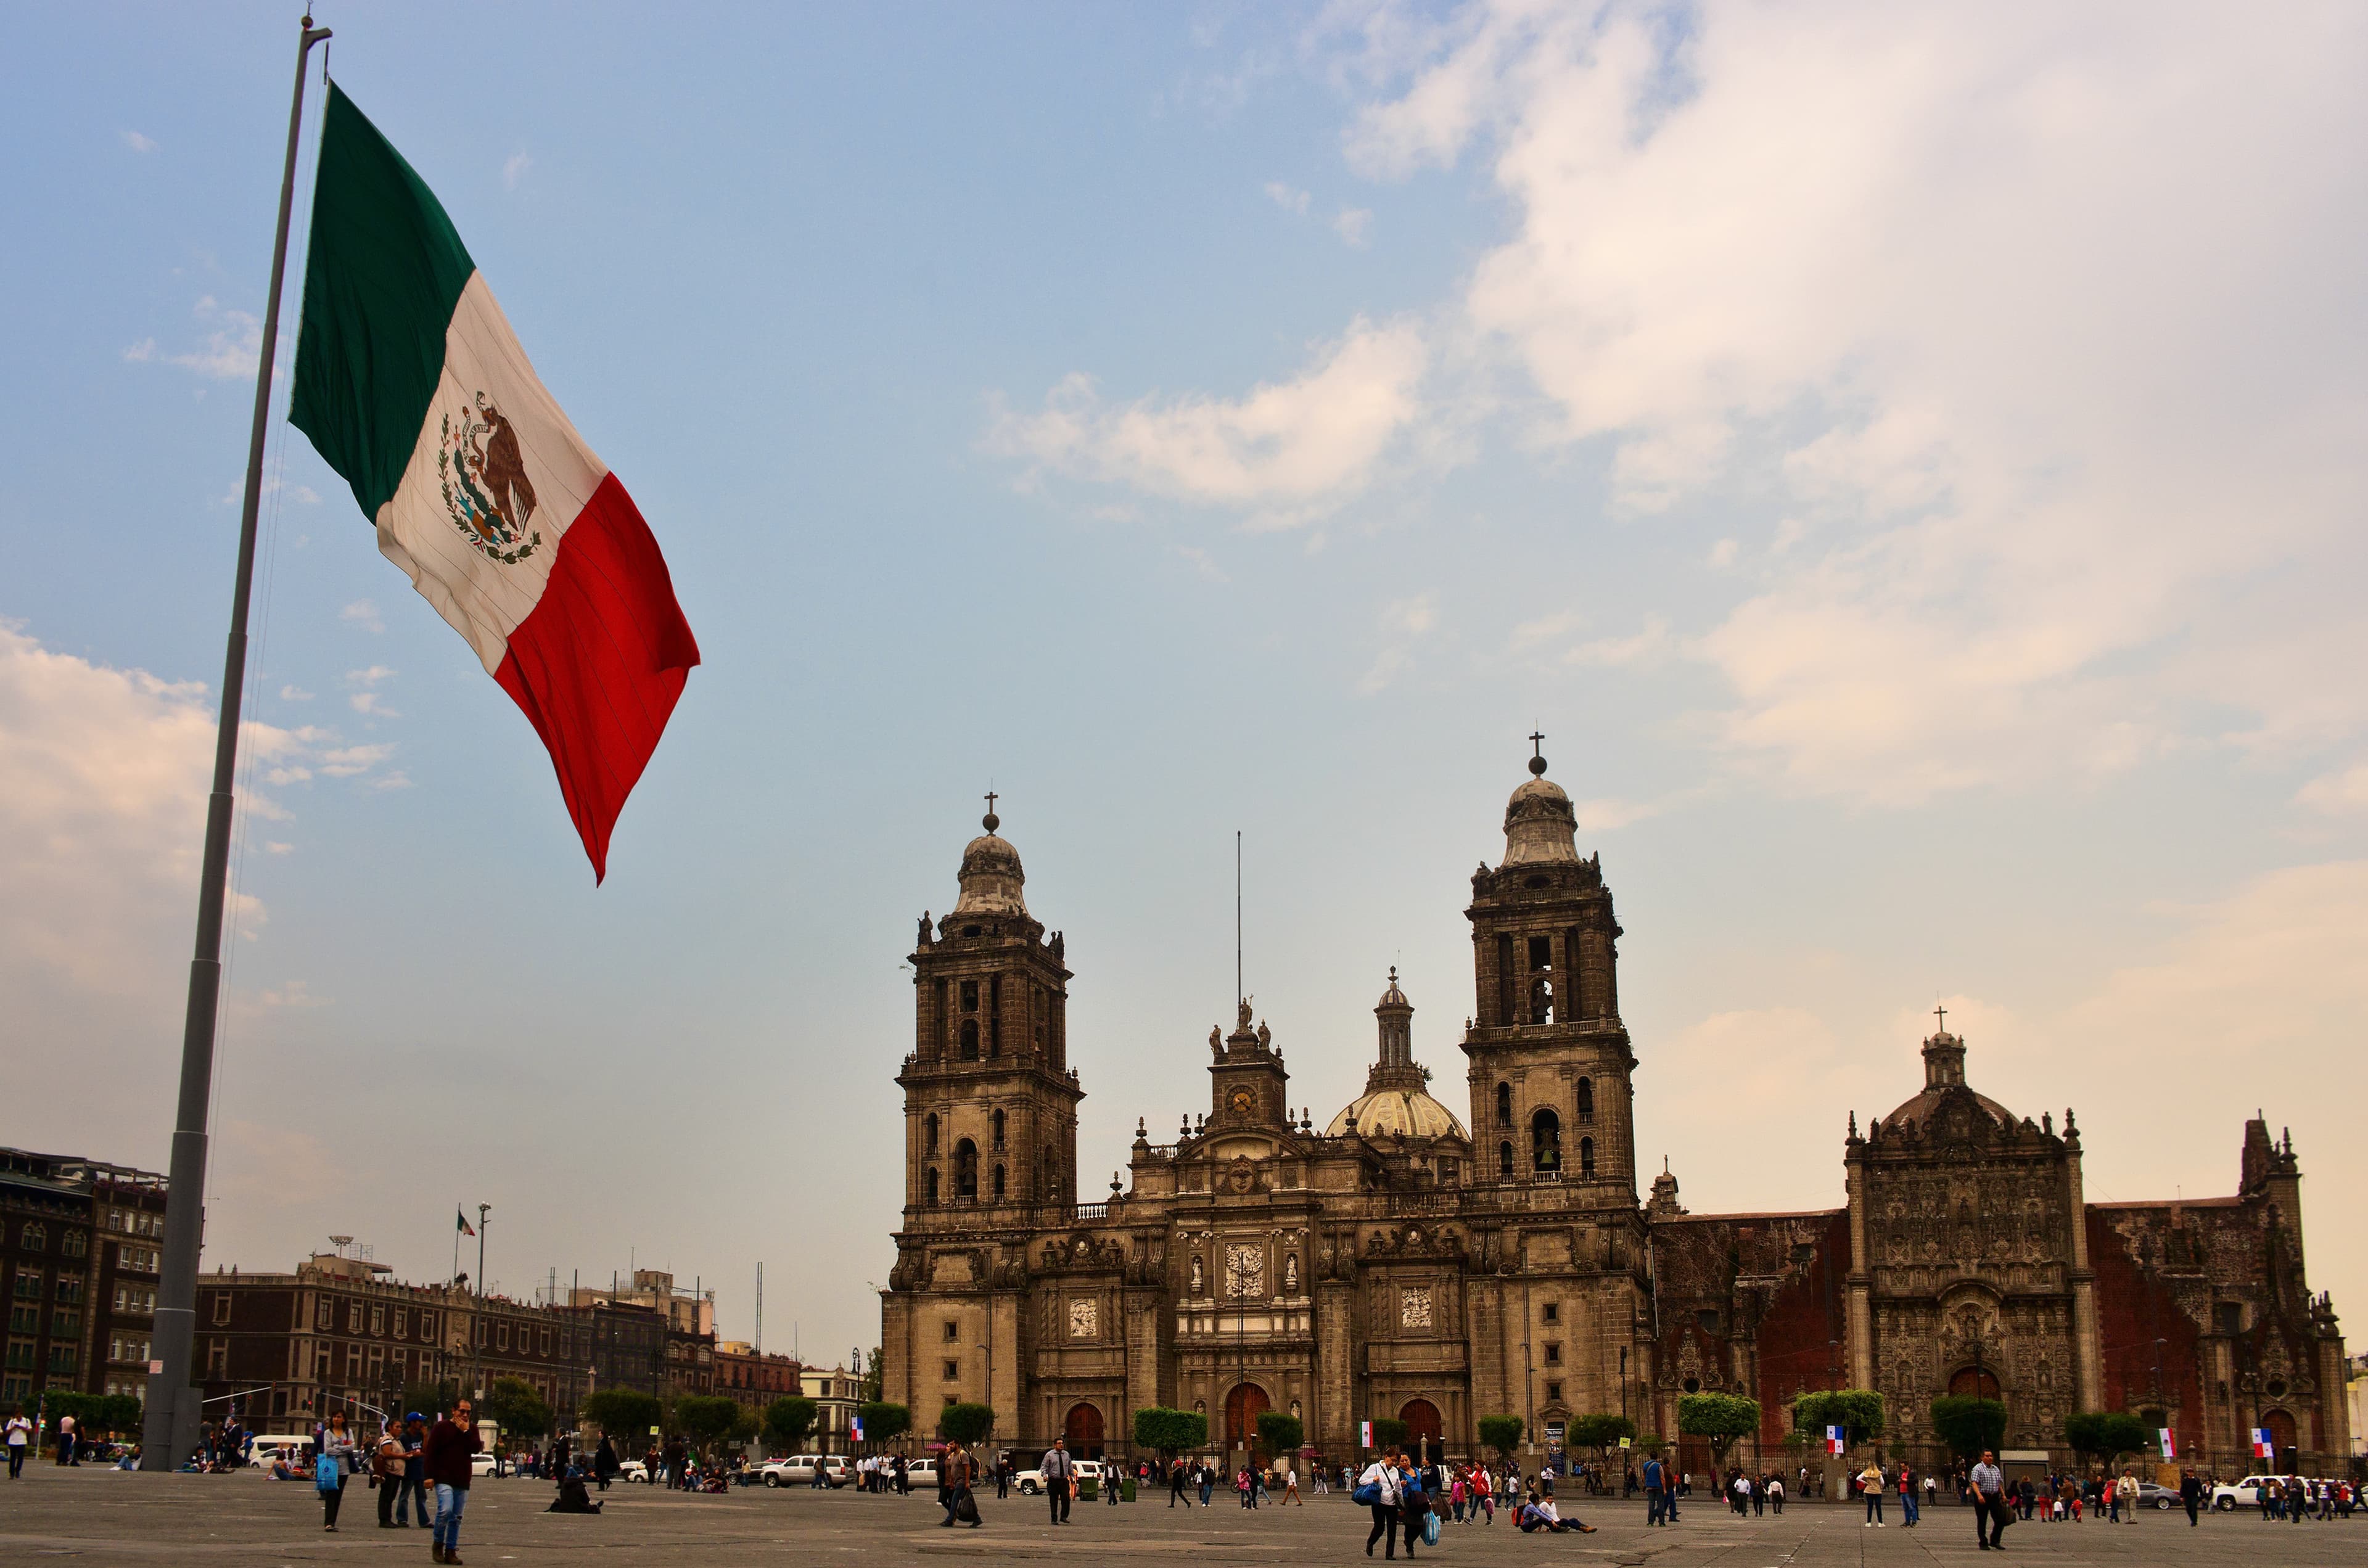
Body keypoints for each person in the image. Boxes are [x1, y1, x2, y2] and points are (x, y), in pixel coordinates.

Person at [425, 1397, 485, 1566]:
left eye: (468, 1412)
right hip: (443, 1477)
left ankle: (451, 1550)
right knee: (445, 1510)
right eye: (462, 1411)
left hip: (462, 1478)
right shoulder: (441, 1428)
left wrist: (465, 1431)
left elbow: (475, 1448)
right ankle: (438, 1543)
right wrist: (428, 1476)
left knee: (456, 1517)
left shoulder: (472, 1429)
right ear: (453, 1411)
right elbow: (431, 1452)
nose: (465, 1415)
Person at [316, 1411, 357, 1532]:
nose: (336, 1419)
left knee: (338, 1496)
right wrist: (343, 1449)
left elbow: (351, 1448)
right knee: (330, 1495)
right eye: (334, 1417)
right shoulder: (328, 1433)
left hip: (344, 1468)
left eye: (339, 1417)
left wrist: (338, 1448)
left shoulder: (348, 1432)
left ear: (344, 1419)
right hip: (331, 1467)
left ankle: (333, 1521)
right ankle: (328, 1523)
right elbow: (328, 1450)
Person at [1360, 1447, 1404, 1558]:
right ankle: (1371, 1542)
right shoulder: (1374, 1468)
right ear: (1386, 1457)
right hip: (1379, 1503)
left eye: (1395, 1461)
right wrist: (1373, 1480)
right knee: (1379, 1528)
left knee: (1392, 1530)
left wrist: (1402, 1504)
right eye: (1392, 1460)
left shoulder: (1395, 1471)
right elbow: (1362, 1480)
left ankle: (1390, 1554)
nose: (1393, 1463)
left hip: (1392, 1504)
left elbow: (1398, 1488)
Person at [376, 1418, 413, 1529]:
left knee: (391, 1497)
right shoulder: (388, 1439)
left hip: (396, 1472)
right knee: (386, 1496)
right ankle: (384, 1519)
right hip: (389, 1471)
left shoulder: (396, 1440)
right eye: (397, 1427)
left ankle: (388, 1519)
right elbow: (387, 1453)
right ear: (390, 1427)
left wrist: (407, 1454)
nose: (400, 1429)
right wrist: (402, 1456)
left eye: (400, 1427)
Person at [1971, 1450, 2010, 1551]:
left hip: (1994, 1497)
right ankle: (1983, 1542)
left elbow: (1999, 1483)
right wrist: (1979, 1495)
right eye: (1987, 1456)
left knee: (2000, 1519)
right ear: (1982, 1458)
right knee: (1982, 1520)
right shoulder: (1978, 1468)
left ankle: (1995, 1541)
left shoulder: (1995, 1469)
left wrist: (2003, 1495)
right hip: (1983, 1496)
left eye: (1991, 1456)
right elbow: (1974, 1483)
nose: (1990, 1458)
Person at [1040, 1437, 1074, 1525]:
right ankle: (1054, 1518)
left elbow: (1070, 1467)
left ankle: (1064, 1516)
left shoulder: (1066, 1454)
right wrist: (1044, 1475)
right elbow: (1044, 1467)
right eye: (1059, 1443)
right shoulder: (1049, 1455)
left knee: (1066, 1499)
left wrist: (1072, 1477)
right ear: (1055, 1445)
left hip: (1064, 1481)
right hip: (1053, 1481)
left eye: (1062, 1443)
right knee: (1054, 1500)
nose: (1061, 1445)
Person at [1643, 1451, 1669, 1526]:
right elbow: (1662, 1477)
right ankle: (1661, 1522)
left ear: (1650, 1456)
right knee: (1660, 1505)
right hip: (1658, 1487)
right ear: (1657, 1457)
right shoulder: (1659, 1466)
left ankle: (1651, 1521)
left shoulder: (1645, 1465)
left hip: (1650, 1487)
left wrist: (1645, 1484)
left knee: (1651, 1504)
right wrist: (1664, 1488)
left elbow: (1643, 1476)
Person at [6, 1408, 31, 1480]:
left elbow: (30, 1430)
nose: (18, 1418)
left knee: (20, 1458)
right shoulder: (12, 1422)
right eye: (17, 1417)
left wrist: (22, 1428)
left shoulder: (26, 1421)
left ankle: (17, 1471)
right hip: (13, 1442)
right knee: (12, 1458)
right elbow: (7, 1432)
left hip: (22, 1441)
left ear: (22, 1416)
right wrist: (13, 1428)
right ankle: (11, 1473)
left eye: (20, 1417)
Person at [1899, 1462, 1919, 1527]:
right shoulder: (1901, 1473)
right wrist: (1899, 1481)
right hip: (1902, 1492)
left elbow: (1916, 1480)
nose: (1902, 1468)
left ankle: (1914, 1522)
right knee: (1906, 1508)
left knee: (1912, 1507)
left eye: (1904, 1467)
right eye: (1901, 1467)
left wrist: (1907, 1480)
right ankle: (1907, 1522)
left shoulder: (1912, 1473)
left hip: (1909, 1492)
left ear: (1907, 1466)